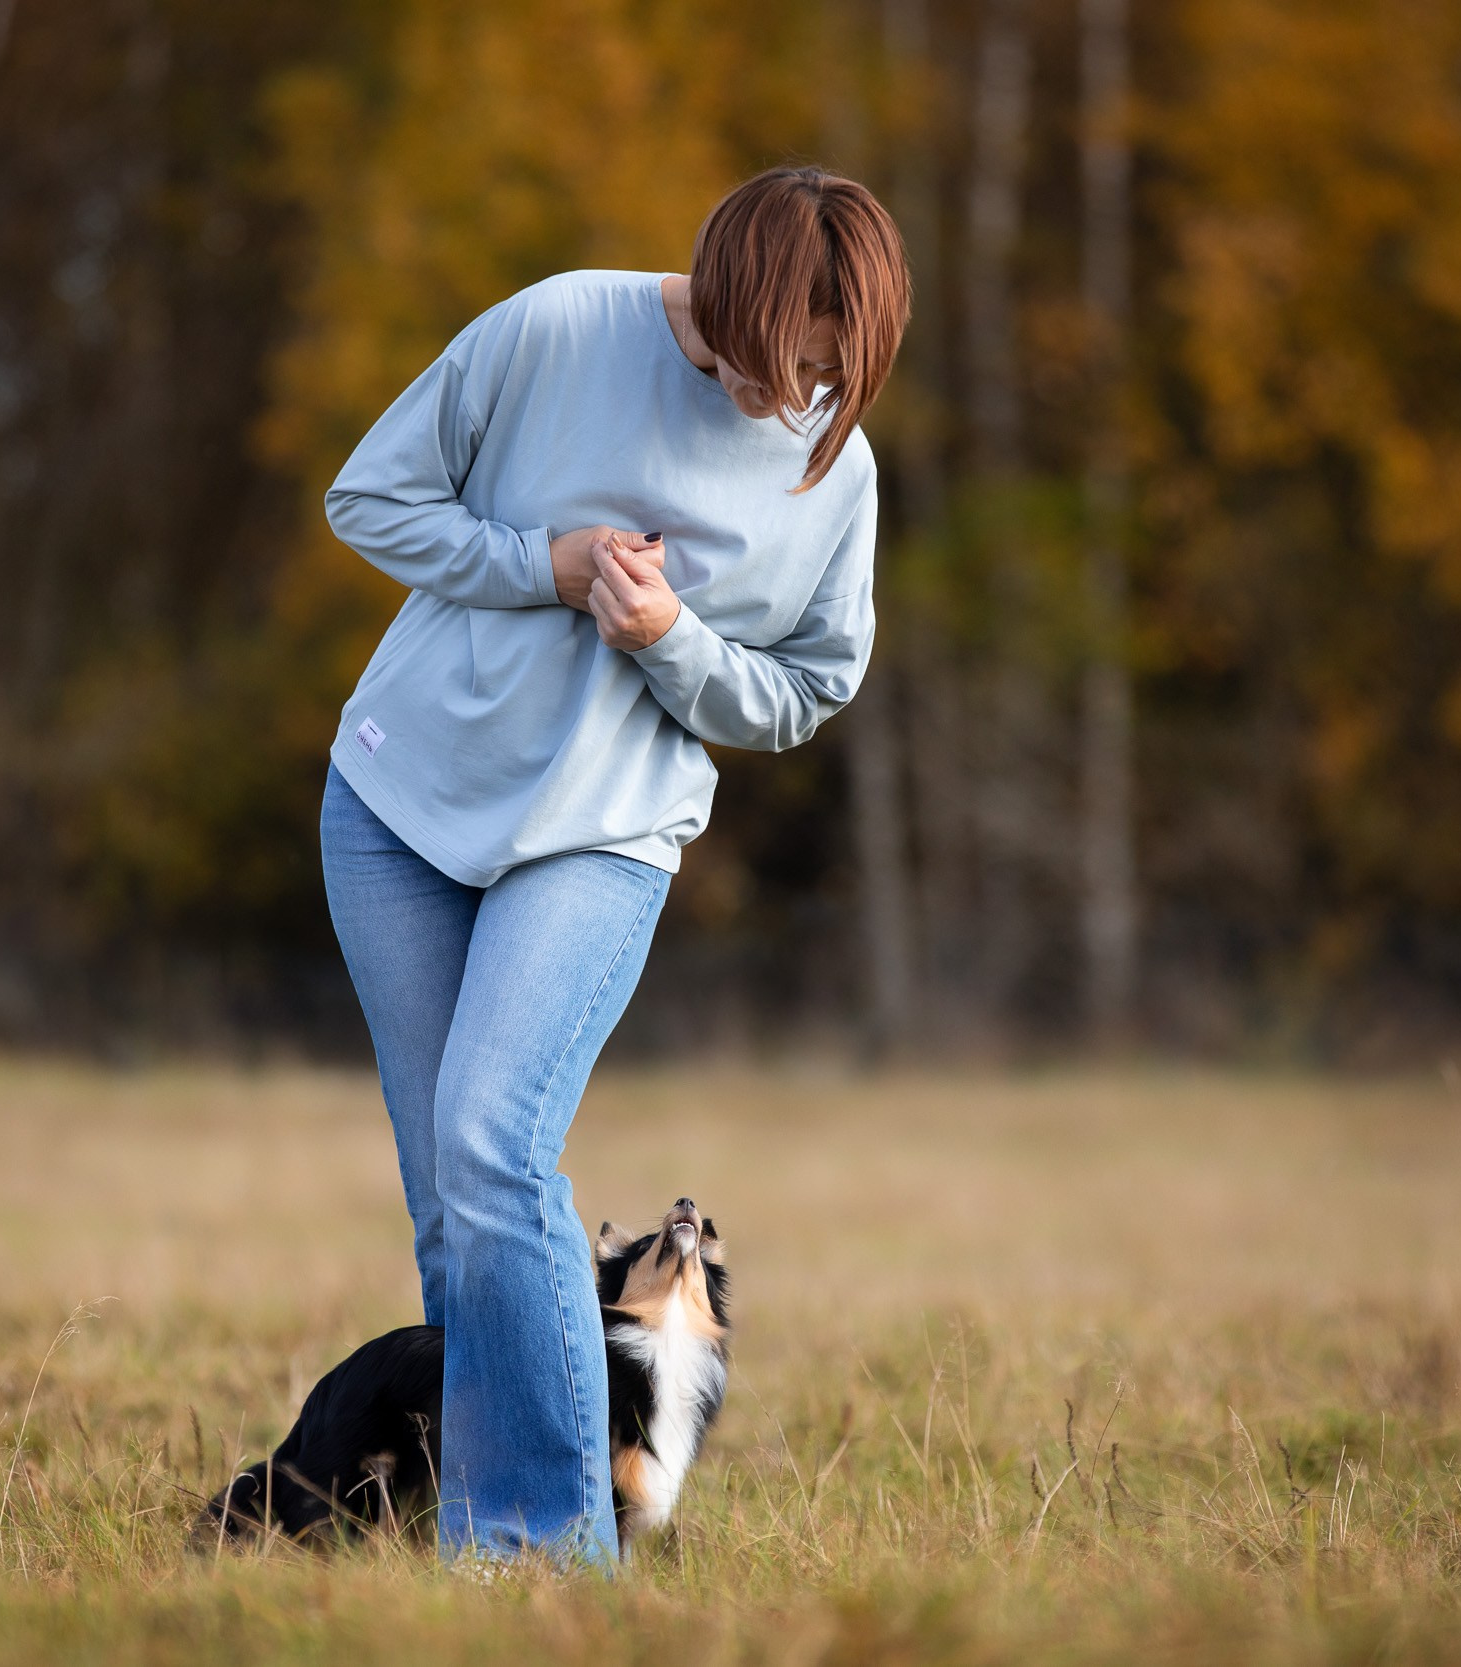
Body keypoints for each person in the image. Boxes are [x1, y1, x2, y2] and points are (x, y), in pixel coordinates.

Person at [318, 165, 910, 1567]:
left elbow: (806, 691)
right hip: (397, 805)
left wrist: (669, 644)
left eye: (836, 374)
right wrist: (553, 558)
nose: (800, 401)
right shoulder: (556, 330)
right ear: (725, 298)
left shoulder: (839, 469)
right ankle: (458, 1508)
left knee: (492, 1145)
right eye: (785, 364)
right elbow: (368, 500)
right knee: (455, 1205)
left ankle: (541, 1547)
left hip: (601, 835)